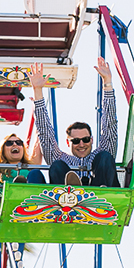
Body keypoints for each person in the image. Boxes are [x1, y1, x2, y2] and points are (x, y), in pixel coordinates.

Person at [28, 58, 119, 187]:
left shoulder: (99, 154)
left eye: (85, 139)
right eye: (75, 141)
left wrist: (107, 83)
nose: (81, 144)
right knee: (57, 165)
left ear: (92, 140)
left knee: (105, 157)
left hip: (99, 193)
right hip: (67, 200)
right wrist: (37, 91)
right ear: (68, 142)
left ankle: (100, 190)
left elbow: (110, 125)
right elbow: (45, 134)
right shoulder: (61, 158)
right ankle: (71, 189)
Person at [0, 95, 46, 184]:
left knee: (35, 173)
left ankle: (22, 185)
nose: (15, 144)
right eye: (9, 143)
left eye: (18, 143)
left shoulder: (31, 166)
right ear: (2, 150)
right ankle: (17, 185)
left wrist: (38, 108)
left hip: (32, 196)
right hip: (10, 197)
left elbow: (39, 136)